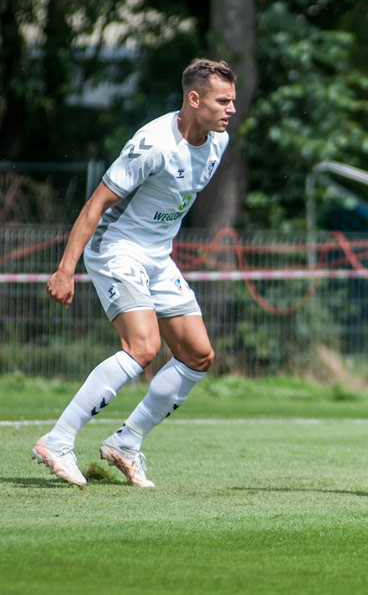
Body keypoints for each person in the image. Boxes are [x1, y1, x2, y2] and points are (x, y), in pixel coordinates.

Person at [32, 59, 236, 488]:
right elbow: (96, 205)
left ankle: (126, 443)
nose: (230, 109)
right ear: (194, 99)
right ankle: (59, 438)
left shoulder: (218, 142)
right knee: (144, 346)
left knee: (198, 355)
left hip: (158, 257)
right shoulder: (153, 143)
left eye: (232, 101)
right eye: (222, 101)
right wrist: (65, 270)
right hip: (117, 248)